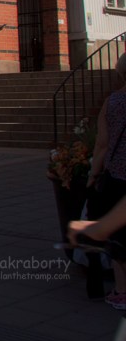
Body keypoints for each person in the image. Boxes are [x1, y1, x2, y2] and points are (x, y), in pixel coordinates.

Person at [70, 53, 126, 309]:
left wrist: (93, 175)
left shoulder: (112, 102)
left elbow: (102, 144)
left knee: (118, 236)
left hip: (117, 177)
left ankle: (122, 292)